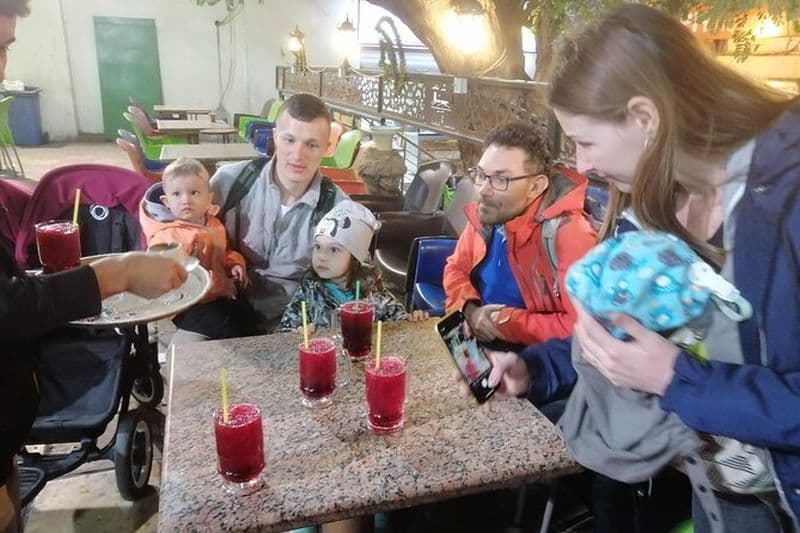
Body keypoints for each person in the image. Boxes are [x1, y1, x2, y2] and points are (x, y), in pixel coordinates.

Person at [494, 4, 800, 531]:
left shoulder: (787, 203)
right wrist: (535, 370)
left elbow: (669, 368)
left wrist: (677, 378)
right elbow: (623, 335)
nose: (582, 165)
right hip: (716, 502)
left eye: (586, 142)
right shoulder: (652, 208)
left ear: (645, 118)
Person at [442, 120, 596, 351]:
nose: (483, 190)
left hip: (532, 359)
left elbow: (581, 329)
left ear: (536, 187)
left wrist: (503, 321)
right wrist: (470, 310)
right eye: (481, 175)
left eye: (501, 179)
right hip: (474, 337)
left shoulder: (570, 235)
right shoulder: (488, 216)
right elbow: (456, 268)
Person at [211, 93, 348, 332]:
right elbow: (182, 227)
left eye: (312, 145)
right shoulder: (231, 182)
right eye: (289, 140)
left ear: (328, 148)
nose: (298, 155)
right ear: (275, 136)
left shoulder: (337, 207)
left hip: (294, 321)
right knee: (183, 350)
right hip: (223, 307)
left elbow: (350, 282)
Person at [140, 157, 254, 343]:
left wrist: (234, 263)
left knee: (248, 319)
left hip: (219, 294)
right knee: (221, 326)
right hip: (189, 304)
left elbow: (224, 252)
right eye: (177, 194)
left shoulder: (214, 224)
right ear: (166, 201)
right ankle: (182, 351)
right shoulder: (167, 236)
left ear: (208, 199)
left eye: (194, 193)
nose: (186, 200)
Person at [279, 200, 427, 331]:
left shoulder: (373, 291)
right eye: (318, 247)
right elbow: (285, 331)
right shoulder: (309, 290)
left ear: (355, 257)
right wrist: (298, 332)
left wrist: (411, 320)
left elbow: (397, 322)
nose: (321, 256)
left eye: (334, 249)